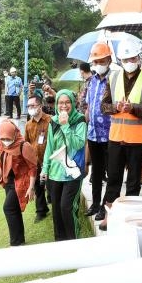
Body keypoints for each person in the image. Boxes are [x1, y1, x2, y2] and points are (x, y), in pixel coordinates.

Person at [98, 39, 142, 230]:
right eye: (125, 59)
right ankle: (109, 215)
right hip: (116, 137)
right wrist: (115, 107)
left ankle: (129, 218)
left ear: (138, 58)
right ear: (120, 60)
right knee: (113, 178)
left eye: (132, 58)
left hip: (138, 139)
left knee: (133, 181)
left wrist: (133, 108)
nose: (129, 61)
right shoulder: (113, 78)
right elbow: (103, 106)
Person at [40, 89, 87, 241]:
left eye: (67, 102)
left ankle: (73, 241)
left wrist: (66, 125)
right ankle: (60, 243)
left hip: (72, 172)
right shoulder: (53, 121)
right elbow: (49, 147)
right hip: (55, 173)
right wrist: (44, 169)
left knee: (66, 208)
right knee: (56, 210)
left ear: (73, 103)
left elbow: (78, 144)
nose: (64, 105)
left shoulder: (79, 120)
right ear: (56, 104)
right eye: (61, 102)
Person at [0, 120, 37, 246]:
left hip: (21, 181)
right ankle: (19, 239)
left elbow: (33, 167)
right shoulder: (1, 144)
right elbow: (1, 163)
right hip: (8, 181)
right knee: (14, 210)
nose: (6, 141)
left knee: (8, 208)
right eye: (3, 138)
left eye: (8, 138)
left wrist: (31, 187)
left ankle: (15, 242)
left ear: (15, 134)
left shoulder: (24, 146)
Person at [84, 42, 112, 218]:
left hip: (109, 134)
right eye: (95, 61)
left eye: (101, 60)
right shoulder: (92, 81)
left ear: (109, 60)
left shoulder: (114, 79)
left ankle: (104, 207)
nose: (98, 64)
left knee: (110, 172)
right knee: (96, 171)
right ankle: (95, 203)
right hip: (93, 133)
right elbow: (88, 106)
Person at [24, 95, 51, 223]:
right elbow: (26, 143)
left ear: (40, 106)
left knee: (51, 186)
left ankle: (53, 201)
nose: (30, 108)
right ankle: (41, 211)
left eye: (33, 106)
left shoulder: (50, 121)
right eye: (28, 106)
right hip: (35, 162)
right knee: (38, 187)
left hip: (50, 160)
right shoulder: (29, 125)